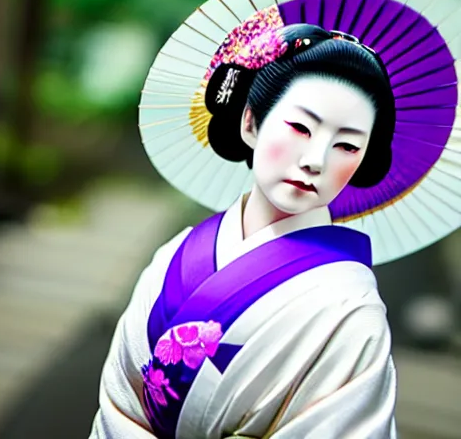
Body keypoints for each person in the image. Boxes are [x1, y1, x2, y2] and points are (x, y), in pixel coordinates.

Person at [89, 23, 398, 438]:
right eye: (300, 128)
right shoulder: (174, 256)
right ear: (250, 123)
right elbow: (117, 402)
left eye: (347, 145)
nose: (315, 160)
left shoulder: (351, 310)